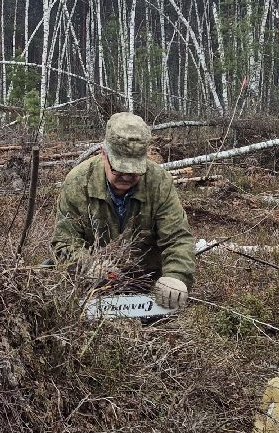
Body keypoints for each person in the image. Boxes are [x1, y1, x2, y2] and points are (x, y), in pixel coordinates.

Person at [51, 112, 196, 312]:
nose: (126, 177)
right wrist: (89, 265)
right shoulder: (78, 182)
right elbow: (64, 241)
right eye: (119, 169)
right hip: (93, 286)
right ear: (104, 154)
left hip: (147, 284)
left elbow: (178, 238)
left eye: (134, 171)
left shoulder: (159, 182)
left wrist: (176, 276)